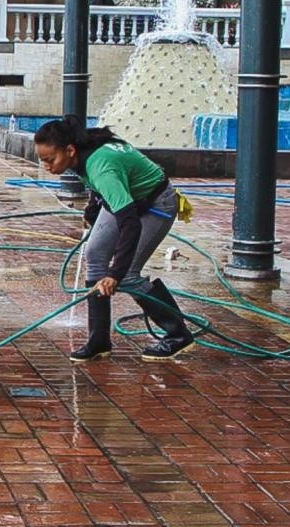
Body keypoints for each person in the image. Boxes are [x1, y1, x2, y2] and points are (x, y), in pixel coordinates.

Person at [33, 115, 193, 361]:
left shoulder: (101, 166)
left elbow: (130, 224)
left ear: (70, 150)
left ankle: (178, 335)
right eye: (42, 160)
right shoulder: (83, 153)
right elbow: (100, 187)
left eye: (50, 159)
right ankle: (98, 341)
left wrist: (114, 275)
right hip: (129, 197)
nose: (46, 166)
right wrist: (92, 210)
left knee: (128, 275)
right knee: (94, 253)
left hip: (156, 203)